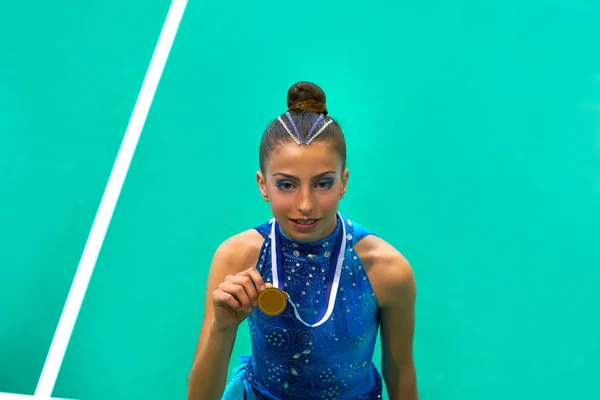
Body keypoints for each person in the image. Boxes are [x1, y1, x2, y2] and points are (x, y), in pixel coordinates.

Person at [187, 82, 418, 400]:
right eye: (286, 185)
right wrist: (223, 328)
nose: (306, 204)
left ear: (343, 182)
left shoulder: (387, 270)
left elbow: (400, 371)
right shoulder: (237, 258)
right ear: (263, 185)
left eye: (323, 183)